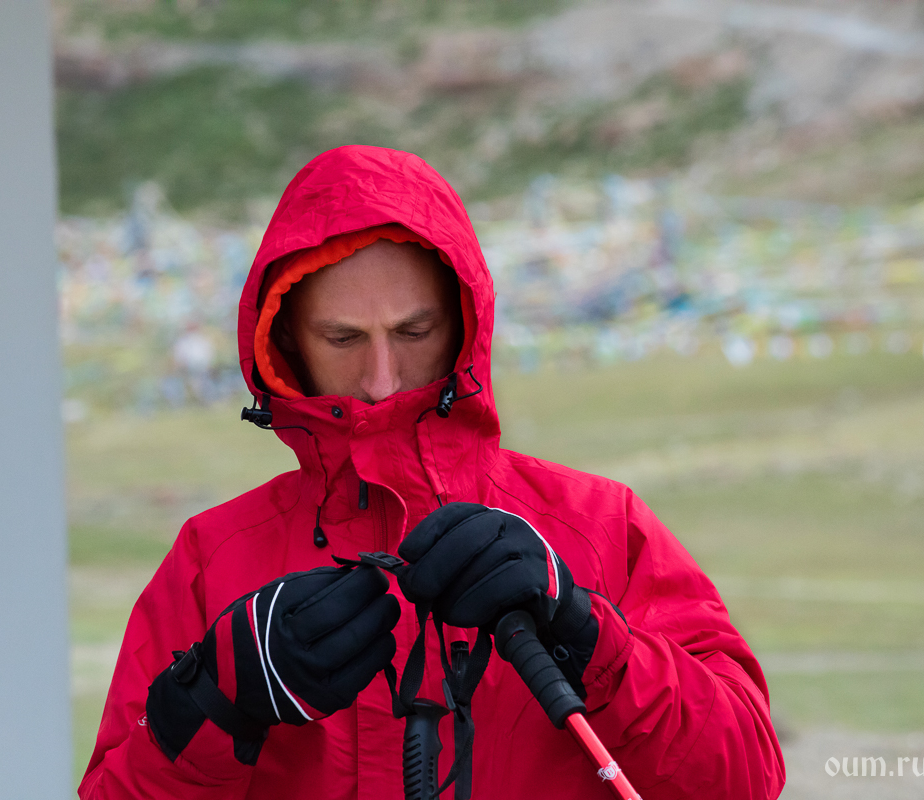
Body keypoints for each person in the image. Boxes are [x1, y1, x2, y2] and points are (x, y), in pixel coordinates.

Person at [79, 146, 786, 799]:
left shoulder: (601, 526)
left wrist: (590, 636)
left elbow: (747, 776)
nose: (381, 380)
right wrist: (211, 703)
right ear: (285, 338)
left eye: (413, 333)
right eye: (342, 338)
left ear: (464, 323)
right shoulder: (212, 559)